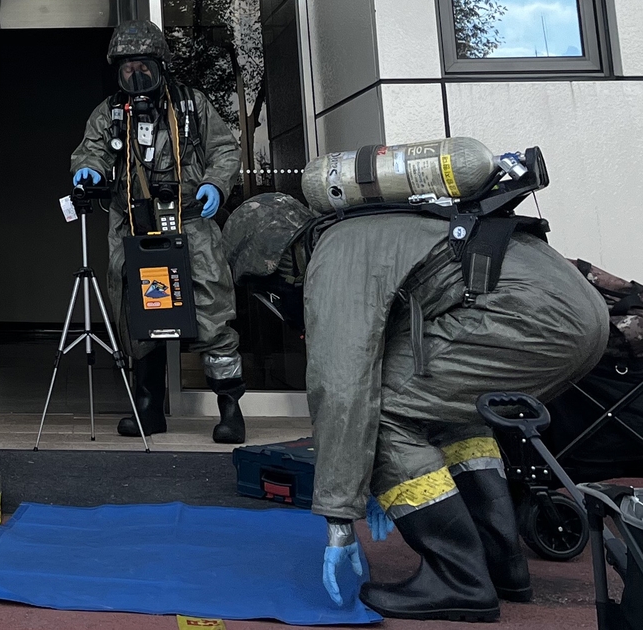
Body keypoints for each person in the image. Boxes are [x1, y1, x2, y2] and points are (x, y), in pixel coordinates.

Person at [224, 191, 610, 621]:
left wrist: (339, 515)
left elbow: (342, 387)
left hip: (527, 314)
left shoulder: (334, 257)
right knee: (446, 410)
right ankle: (501, 564)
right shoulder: (368, 228)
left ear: (270, 261)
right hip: (577, 310)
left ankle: (459, 580)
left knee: (380, 410)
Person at [70, 19, 247, 444]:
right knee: (137, 308)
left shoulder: (192, 105)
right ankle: (148, 406)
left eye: (144, 65)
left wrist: (215, 184)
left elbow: (225, 148)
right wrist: (88, 173)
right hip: (133, 222)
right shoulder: (109, 113)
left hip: (191, 219)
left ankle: (230, 407)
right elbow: (89, 152)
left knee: (211, 303)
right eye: (127, 67)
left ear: (161, 63)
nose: (136, 75)